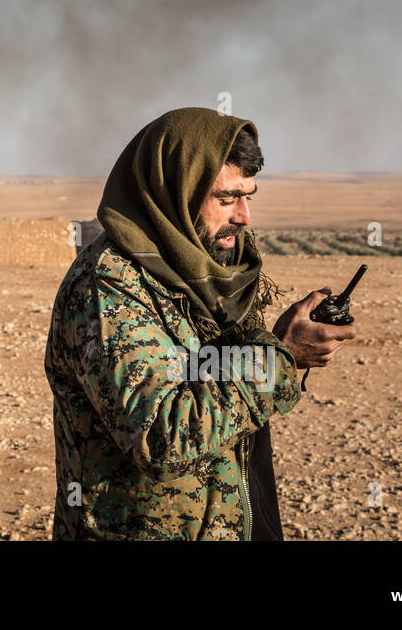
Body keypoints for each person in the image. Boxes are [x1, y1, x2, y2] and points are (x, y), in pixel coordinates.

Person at [44, 107, 358, 539]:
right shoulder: (108, 287)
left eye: (248, 196)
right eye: (226, 199)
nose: (243, 216)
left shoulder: (210, 271)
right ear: (174, 190)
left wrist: (281, 339)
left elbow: (217, 382)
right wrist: (279, 357)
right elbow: (160, 438)